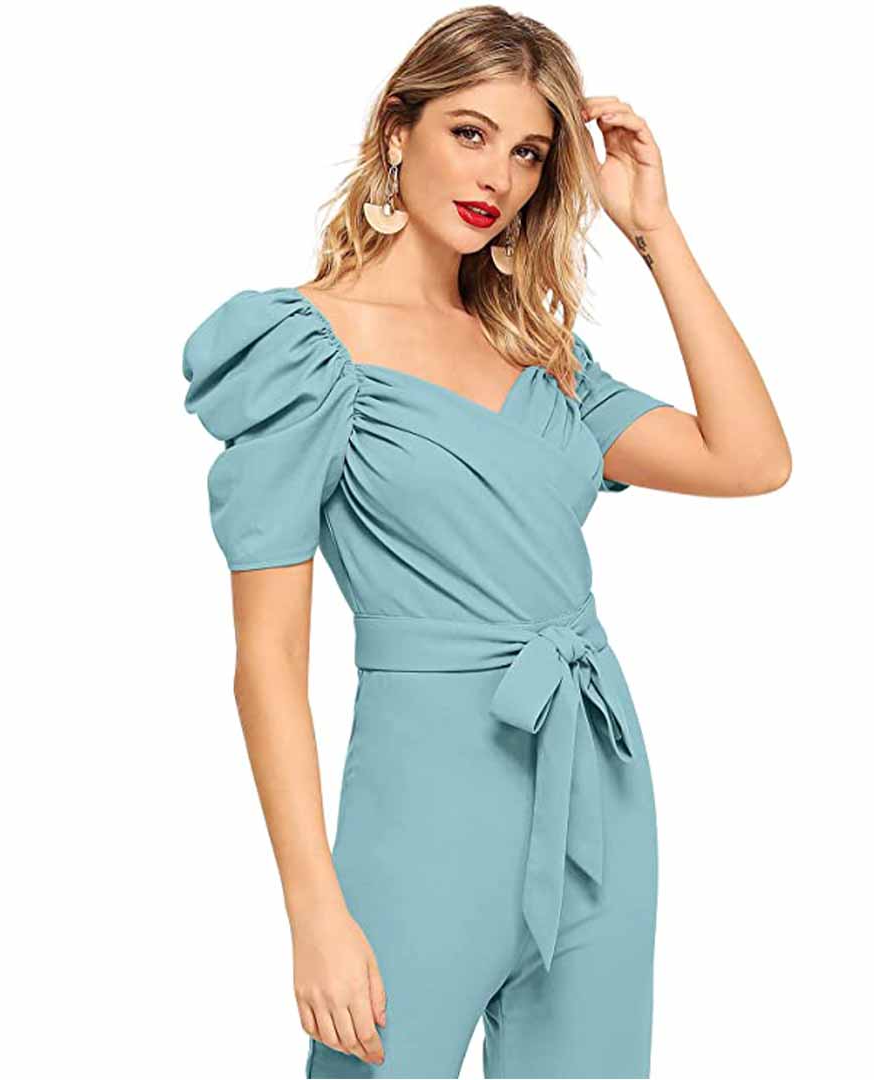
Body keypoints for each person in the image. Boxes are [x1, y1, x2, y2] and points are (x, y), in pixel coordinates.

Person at [181, 7, 790, 1077]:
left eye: (528, 153)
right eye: (469, 133)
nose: (496, 177)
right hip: (423, 810)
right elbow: (267, 657)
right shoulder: (302, 352)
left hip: (595, 791)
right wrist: (314, 908)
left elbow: (750, 459)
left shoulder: (542, 353)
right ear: (397, 130)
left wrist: (653, 230)